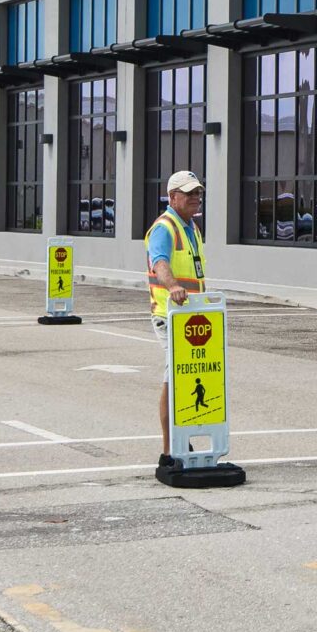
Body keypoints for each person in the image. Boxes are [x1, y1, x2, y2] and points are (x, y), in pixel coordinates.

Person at [144, 170, 207, 483]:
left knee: (188, 378)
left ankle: (184, 441)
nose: (196, 198)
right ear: (172, 197)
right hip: (169, 316)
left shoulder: (191, 227)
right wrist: (171, 287)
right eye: (189, 193)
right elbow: (160, 262)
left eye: (198, 192)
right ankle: (169, 451)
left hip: (194, 319)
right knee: (173, 379)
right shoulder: (164, 228)